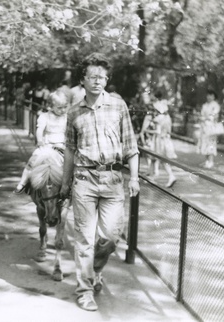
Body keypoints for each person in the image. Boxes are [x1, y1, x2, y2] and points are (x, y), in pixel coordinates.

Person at [59, 53, 140, 312]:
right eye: (92, 76)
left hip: (114, 178)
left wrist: (135, 177)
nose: (97, 81)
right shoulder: (73, 112)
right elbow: (70, 150)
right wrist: (65, 183)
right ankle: (84, 290)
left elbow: (131, 145)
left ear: (107, 80)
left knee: (110, 236)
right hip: (84, 178)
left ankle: (94, 270)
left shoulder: (118, 106)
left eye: (102, 77)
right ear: (82, 80)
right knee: (84, 237)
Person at [13, 91, 68, 194]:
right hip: (48, 145)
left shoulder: (67, 117)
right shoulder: (45, 116)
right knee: (33, 160)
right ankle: (23, 182)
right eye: (59, 108)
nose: (63, 110)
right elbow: (40, 129)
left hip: (62, 145)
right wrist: (40, 140)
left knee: (71, 163)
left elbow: (68, 132)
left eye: (65, 107)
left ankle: (71, 186)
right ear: (51, 106)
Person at [146, 91, 177, 188]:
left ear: (155, 96)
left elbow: (154, 120)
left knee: (159, 156)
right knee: (154, 156)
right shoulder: (164, 107)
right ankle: (151, 177)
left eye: (151, 94)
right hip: (163, 135)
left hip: (159, 135)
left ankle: (171, 176)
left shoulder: (155, 106)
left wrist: (149, 128)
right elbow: (168, 122)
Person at [198, 89, 222, 168]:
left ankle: (211, 161)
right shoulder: (205, 105)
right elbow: (202, 114)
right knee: (204, 143)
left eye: (211, 95)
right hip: (204, 126)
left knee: (211, 143)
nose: (209, 97)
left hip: (211, 126)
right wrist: (203, 118)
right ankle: (207, 161)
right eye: (208, 95)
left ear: (214, 96)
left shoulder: (215, 105)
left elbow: (213, 116)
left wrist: (205, 118)